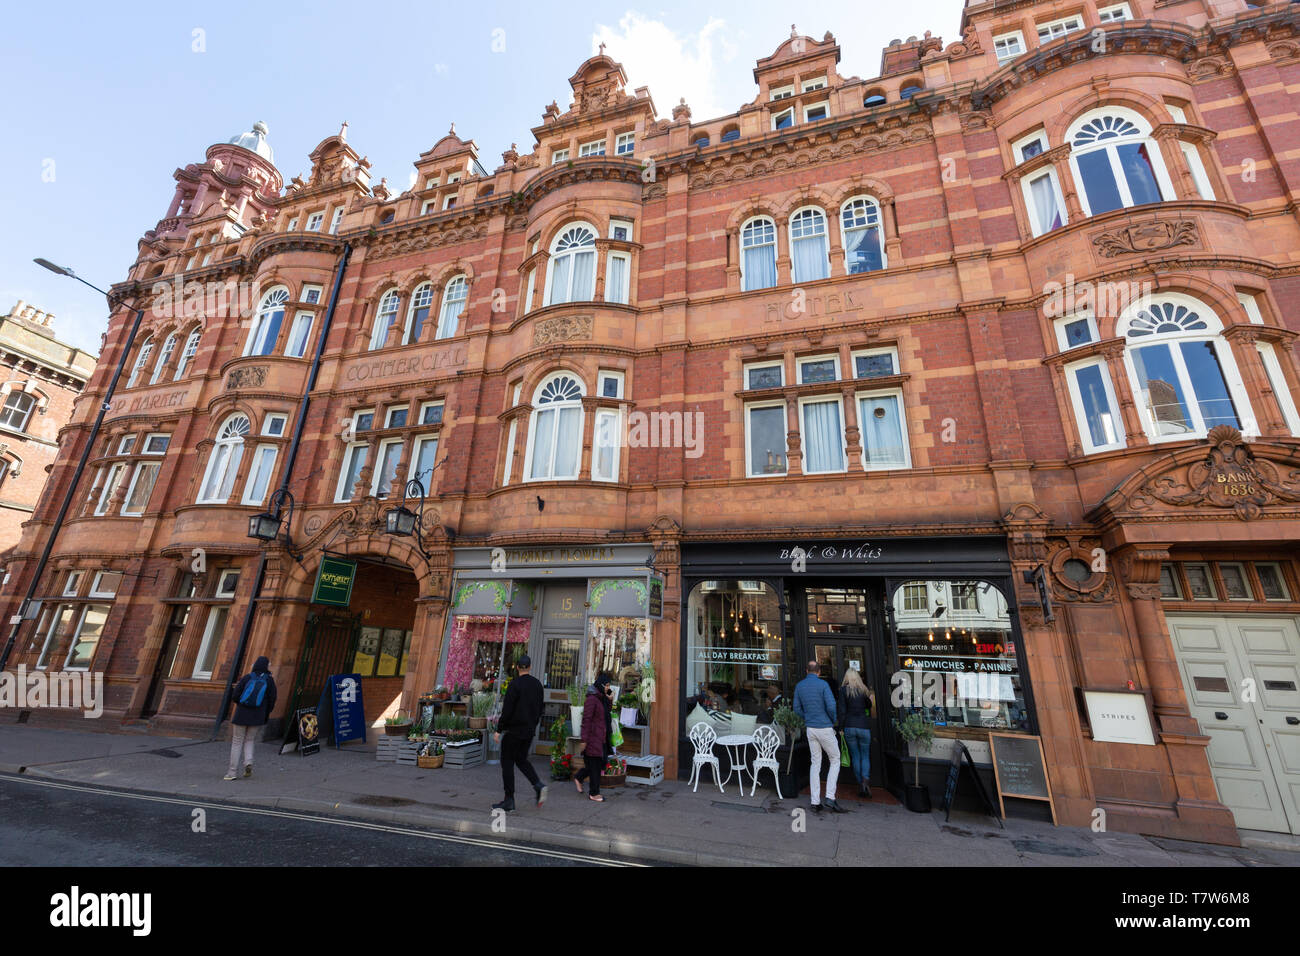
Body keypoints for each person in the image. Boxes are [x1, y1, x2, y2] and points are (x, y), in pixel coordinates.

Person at [492, 654, 547, 812]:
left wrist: (499, 730)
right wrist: (532, 725)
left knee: (507, 763)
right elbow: (540, 710)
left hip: (514, 731)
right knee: (521, 759)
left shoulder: (514, 684)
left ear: (517, 667)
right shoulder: (537, 685)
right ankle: (538, 784)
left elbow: (507, 710)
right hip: (528, 731)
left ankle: (509, 800)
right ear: (529, 667)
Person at [793, 659, 846, 813]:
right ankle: (830, 796)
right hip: (825, 727)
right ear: (819, 671)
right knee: (835, 759)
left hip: (810, 728)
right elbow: (831, 706)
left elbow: (796, 708)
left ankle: (815, 801)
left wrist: (807, 718)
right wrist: (832, 720)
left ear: (806, 671)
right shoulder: (823, 685)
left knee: (815, 763)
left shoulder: (800, 686)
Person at [225, 656, 277, 781]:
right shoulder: (269, 681)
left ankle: (232, 772)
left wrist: (242, 704)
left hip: (242, 714)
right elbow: (272, 700)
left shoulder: (247, 677)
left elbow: (235, 695)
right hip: (258, 715)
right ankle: (248, 762)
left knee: (237, 741)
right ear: (267, 666)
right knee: (250, 740)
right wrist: (265, 712)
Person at [572, 673, 613, 802]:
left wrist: (610, 699)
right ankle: (594, 793)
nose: (608, 687)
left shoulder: (601, 697)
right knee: (595, 765)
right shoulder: (592, 699)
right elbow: (586, 720)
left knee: (595, 765)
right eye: (606, 685)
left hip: (601, 736)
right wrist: (584, 740)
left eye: (609, 685)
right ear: (600, 685)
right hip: (593, 737)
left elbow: (607, 713)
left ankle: (579, 777)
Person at [839, 667, 875, 798]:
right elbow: (869, 706)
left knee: (855, 756)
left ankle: (861, 784)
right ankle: (866, 781)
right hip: (864, 726)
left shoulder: (843, 691)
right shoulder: (863, 690)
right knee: (865, 755)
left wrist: (841, 727)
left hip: (849, 726)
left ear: (847, 678)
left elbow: (842, 711)